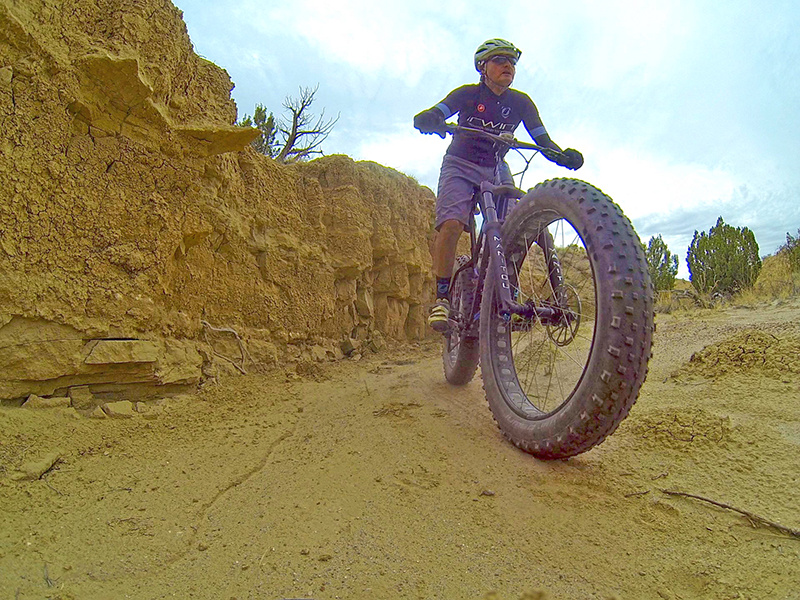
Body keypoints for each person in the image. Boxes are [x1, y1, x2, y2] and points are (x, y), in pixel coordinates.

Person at [414, 38, 584, 332]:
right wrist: (429, 118)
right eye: (499, 60)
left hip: (496, 167)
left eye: (512, 61)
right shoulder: (467, 95)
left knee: (513, 228)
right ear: (483, 67)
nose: (508, 65)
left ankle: (506, 296)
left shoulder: (521, 103)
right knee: (452, 224)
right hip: (460, 164)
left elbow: (542, 141)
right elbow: (439, 111)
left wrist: (562, 156)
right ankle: (442, 298)